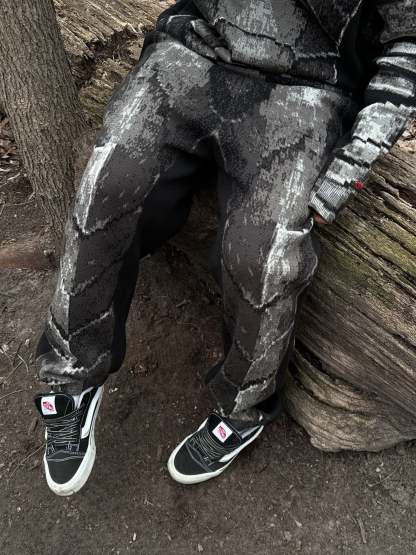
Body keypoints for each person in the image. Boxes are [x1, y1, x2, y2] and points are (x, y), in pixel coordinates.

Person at [34, 0, 416, 496]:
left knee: (264, 256)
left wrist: (349, 169)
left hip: (310, 88)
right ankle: (71, 375)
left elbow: (409, 46)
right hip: (192, 49)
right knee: (105, 187)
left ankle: (243, 409)